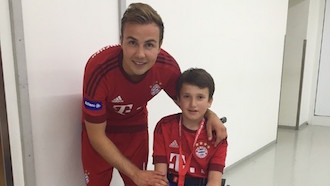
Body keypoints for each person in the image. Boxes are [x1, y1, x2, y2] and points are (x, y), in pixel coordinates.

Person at [81, 3, 227, 186]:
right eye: (132, 42)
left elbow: (187, 101)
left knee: (140, 183)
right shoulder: (98, 69)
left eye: (149, 44)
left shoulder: (168, 68)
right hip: (100, 132)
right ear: (121, 41)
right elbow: (96, 136)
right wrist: (135, 173)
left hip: (134, 129)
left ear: (160, 46)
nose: (140, 54)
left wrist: (210, 115)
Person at [153, 68, 228, 186]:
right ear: (178, 99)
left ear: (210, 101)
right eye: (187, 96)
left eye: (200, 97)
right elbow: (160, 176)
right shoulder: (164, 127)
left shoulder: (217, 135)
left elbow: (214, 181)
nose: (193, 104)